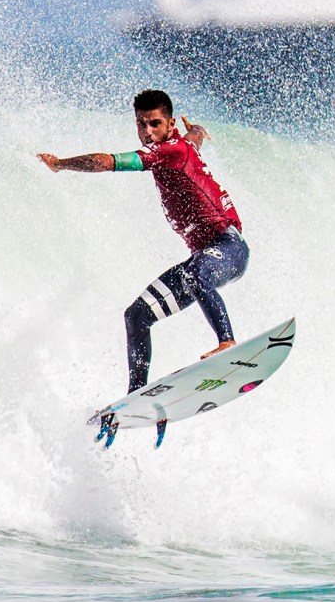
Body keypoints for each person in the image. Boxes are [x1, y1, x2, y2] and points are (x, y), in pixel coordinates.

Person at [37, 89, 249, 396]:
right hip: (205, 258)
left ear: (169, 124)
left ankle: (227, 341)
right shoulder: (182, 143)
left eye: (155, 124)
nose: (147, 132)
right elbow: (195, 138)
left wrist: (61, 164)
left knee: (195, 273)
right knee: (136, 316)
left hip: (229, 247)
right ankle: (137, 395)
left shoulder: (169, 150)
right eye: (141, 124)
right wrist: (197, 131)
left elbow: (105, 162)